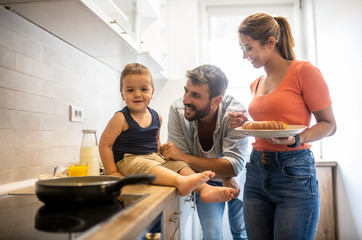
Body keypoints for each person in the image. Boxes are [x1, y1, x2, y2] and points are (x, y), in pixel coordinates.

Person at [228, 13, 337, 240]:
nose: (244, 55)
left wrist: (296, 139)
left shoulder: (304, 71)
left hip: (294, 172)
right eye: (241, 48)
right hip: (256, 170)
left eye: (248, 48)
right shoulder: (256, 83)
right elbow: (271, 124)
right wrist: (246, 124)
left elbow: (329, 125)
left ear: (270, 42)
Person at [99, 63, 237, 203]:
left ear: (152, 92)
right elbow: (104, 145)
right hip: (128, 160)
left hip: (152, 158)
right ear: (122, 94)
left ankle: (205, 189)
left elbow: (156, 140)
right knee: (149, 165)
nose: (137, 94)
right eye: (130, 90)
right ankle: (181, 182)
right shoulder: (120, 118)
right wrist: (112, 172)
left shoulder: (156, 116)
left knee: (180, 165)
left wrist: (163, 158)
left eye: (144, 89)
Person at [160, 64, 249, 240]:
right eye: (186, 91)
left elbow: (233, 165)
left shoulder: (235, 114)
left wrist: (228, 173)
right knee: (211, 234)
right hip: (204, 180)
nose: (186, 99)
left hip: (239, 178)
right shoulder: (178, 110)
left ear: (216, 100)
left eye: (195, 95)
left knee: (241, 231)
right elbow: (177, 162)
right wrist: (223, 169)